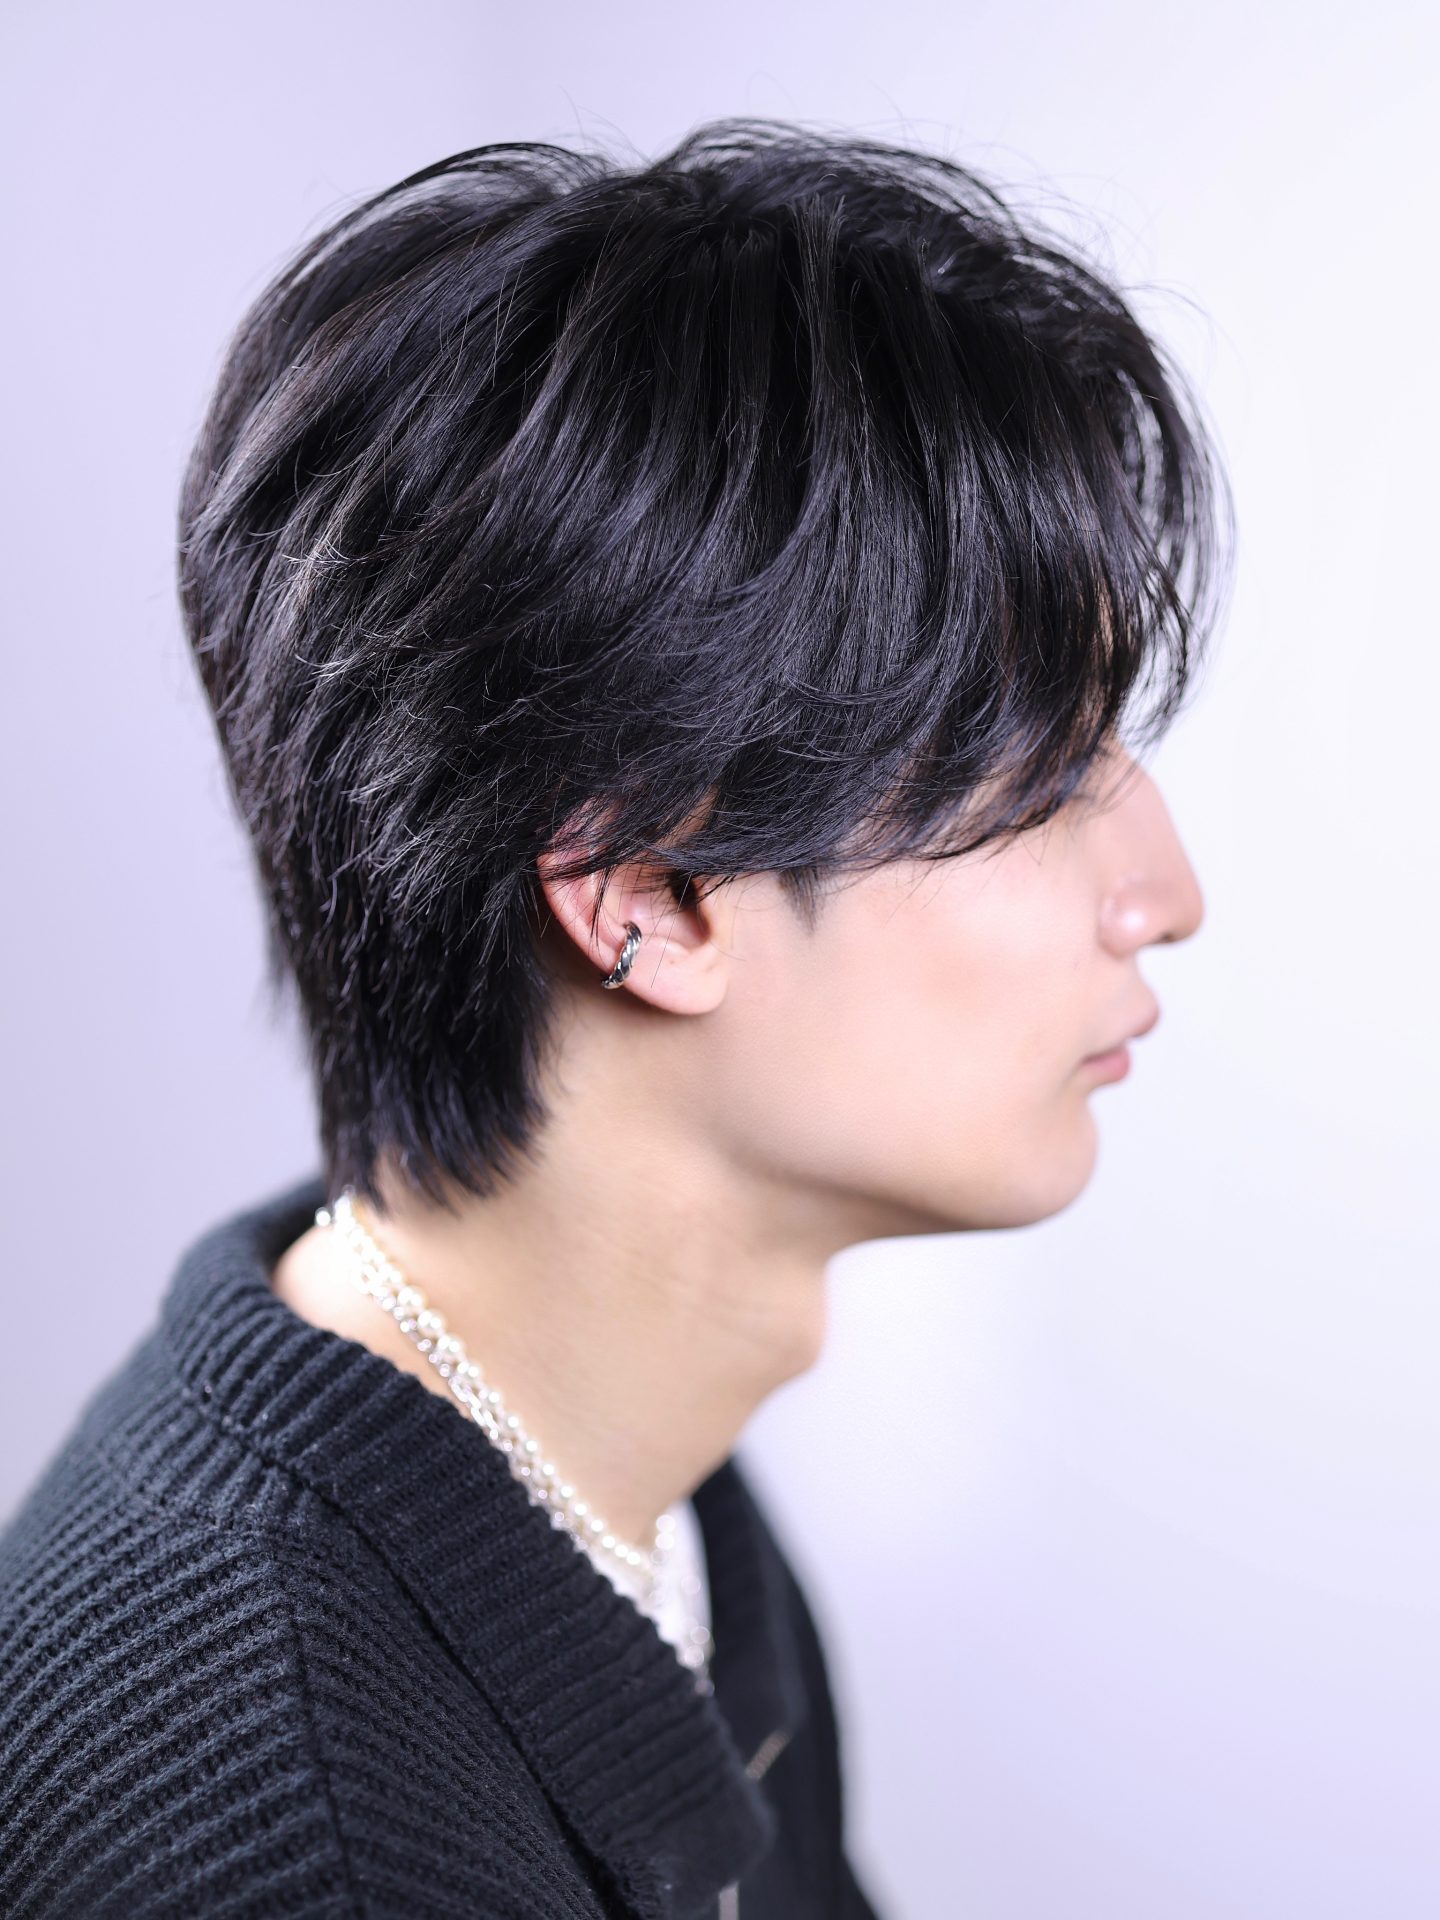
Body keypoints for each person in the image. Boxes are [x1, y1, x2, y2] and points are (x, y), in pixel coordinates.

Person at [0, 116, 1230, 1917]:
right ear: (647, 895)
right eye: (1041, 776)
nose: (1166, 890)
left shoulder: (624, 1497)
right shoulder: (303, 1830)